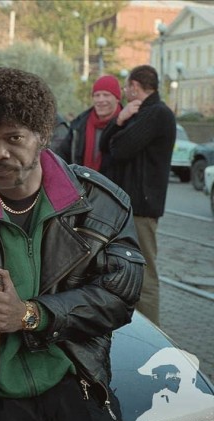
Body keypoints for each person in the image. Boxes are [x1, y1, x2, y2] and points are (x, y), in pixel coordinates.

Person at [0, 67, 145, 421]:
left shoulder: (101, 202)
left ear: (42, 135)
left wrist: (29, 314)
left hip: (77, 387)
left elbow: (120, 297)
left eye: (14, 138)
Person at [99, 65, 176, 327]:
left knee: (145, 273)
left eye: (126, 86)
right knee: (128, 270)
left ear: (134, 86)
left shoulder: (156, 113)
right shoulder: (140, 112)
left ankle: (152, 332)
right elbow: (105, 146)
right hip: (131, 205)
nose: (124, 91)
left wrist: (121, 125)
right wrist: (119, 120)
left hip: (142, 207)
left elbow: (119, 149)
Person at [53, 74, 122, 171]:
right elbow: (63, 156)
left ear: (117, 98)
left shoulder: (127, 125)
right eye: (97, 95)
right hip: (82, 180)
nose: (101, 100)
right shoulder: (78, 125)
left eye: (106, 95)